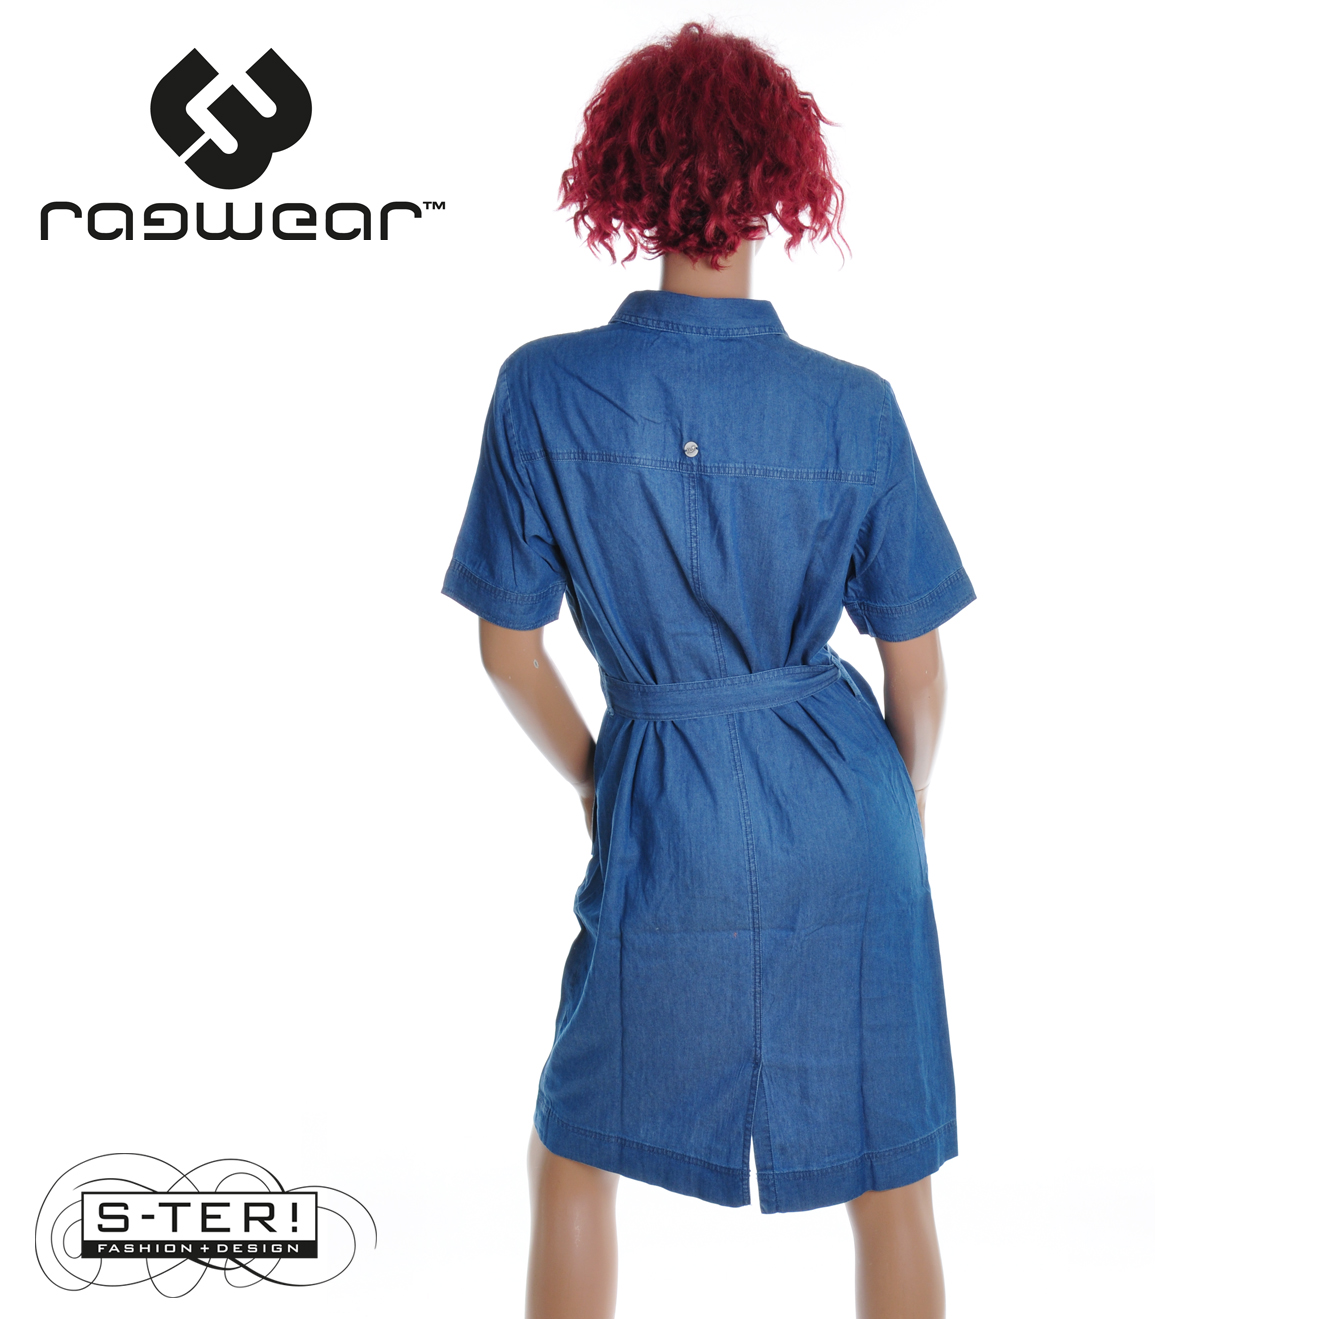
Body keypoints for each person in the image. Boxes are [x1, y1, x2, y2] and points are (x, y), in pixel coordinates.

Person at [441, 22, 975, 1319]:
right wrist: (898, 815)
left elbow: (506, 647)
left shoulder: (543, 388)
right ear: (785, 179)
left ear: (623, 176)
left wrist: (597, 776)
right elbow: (921, 674)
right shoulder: (854, 403)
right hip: (847, 808)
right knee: (888, 1169)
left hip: (663, 797)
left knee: (575, 1149)